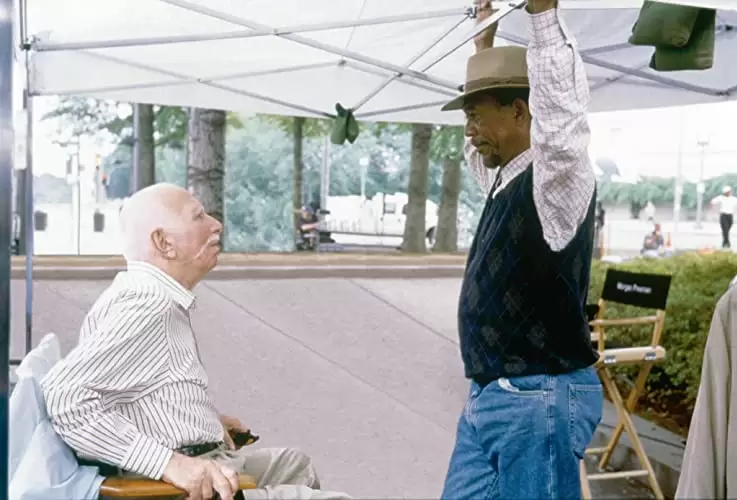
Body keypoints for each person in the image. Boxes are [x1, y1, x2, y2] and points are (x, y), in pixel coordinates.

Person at [41, 183, 350, 500]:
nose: (216, 224)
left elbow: (135, 394)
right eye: (198, 216)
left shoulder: (141, 292)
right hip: (178, 486)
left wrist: (206, 424)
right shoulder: (147, 308)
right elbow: (66, 397)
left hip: (203, 456)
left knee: (295, 464)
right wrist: (171, 464)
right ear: (164, 243)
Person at [438, 1, 602, 498]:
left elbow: (563, 122)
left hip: (538, 396)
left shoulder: (555, 180)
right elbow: (478, 151)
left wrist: (544, 17)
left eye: (476, 117)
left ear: (519, 111)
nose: (469, 130)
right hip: (496, 396)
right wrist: (483, 50)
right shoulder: (504, 176)